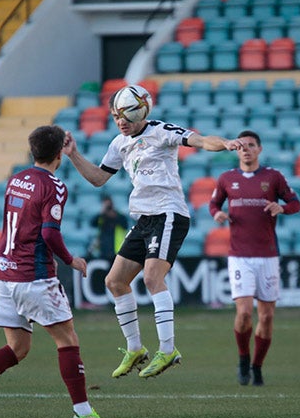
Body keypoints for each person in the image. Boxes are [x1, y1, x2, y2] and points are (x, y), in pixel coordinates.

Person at [62, 84, 244, 379]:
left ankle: (168, 349)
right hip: (144, 218)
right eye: (116, 117)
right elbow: (98, 179)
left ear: (142, 112)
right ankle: (135, 348)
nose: (121, 122)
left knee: (151, 277)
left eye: (127, 116)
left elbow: (197, 140)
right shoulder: (118, 143)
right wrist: (73, 155)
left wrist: (224, 143)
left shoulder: (160, 131)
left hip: (168, 213)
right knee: (115, 282)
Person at [0, 125, 113, 418]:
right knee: (67, 339)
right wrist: (70, 260)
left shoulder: (16, 179)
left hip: (5, 275)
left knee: (18, 348)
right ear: (60, 152)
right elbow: (49, 233)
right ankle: (83, 412)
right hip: (33, 277)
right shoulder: (55, 186)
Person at [208, 130, 300, 386]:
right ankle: (242, 358)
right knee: (245, 313)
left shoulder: (273, 177)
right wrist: (217, 214)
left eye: (250, 145)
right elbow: (214, 204)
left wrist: (281, 207)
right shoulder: (227, 178)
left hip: (268, 255)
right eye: (241, 146)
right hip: (240, 256)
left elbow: (295, 203)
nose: (245, 149)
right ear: (236, 151)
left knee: (268, 317)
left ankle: (257, 366)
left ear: (259, 149)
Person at [90, 195, 130, 261]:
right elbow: (92, 223)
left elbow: (125, 226)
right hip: (103, 250)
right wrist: (102, 212)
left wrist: (115, 215)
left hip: (117, 251)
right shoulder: (101, 217)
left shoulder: (119, 216)